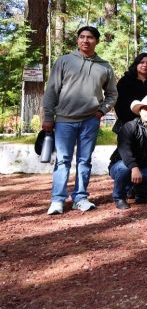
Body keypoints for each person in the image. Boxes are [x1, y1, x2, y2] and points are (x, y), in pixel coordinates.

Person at [44, 26, 118, 215]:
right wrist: (48, 116)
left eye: (90, 37)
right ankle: (57, 200)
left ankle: (80, 197)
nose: (86, 40)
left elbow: (112, 94)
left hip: (90, 120)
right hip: (63, 120)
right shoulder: (64, 61)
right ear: (77, 40)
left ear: (97, 41)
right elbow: (52, 90)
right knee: (63, 160)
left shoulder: (104, 66)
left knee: (84, 160)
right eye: (82, 37)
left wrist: (102, 111)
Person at [114, 53, 147, 133]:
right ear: (136, 64)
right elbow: (118, 101)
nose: (145, 65)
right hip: (128, 122)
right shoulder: (125, 81)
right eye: (141, 62)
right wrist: (126, 120)